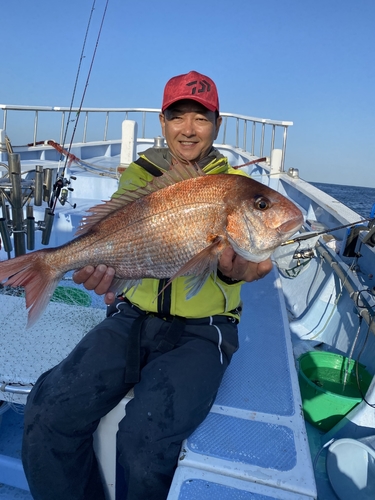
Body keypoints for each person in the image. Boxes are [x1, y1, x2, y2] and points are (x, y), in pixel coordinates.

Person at [22, 70, 273, 500]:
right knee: (46, 410)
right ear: (163, 122)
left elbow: (257, 262)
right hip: (132, 317)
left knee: (144, 437)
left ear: (217, 124)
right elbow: (119, 247)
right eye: (178, 117)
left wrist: (238, 270)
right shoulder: (139, 178)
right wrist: (105, 275)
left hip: (201, 331)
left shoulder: (234, 187)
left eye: (201, 118)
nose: (189, 129)